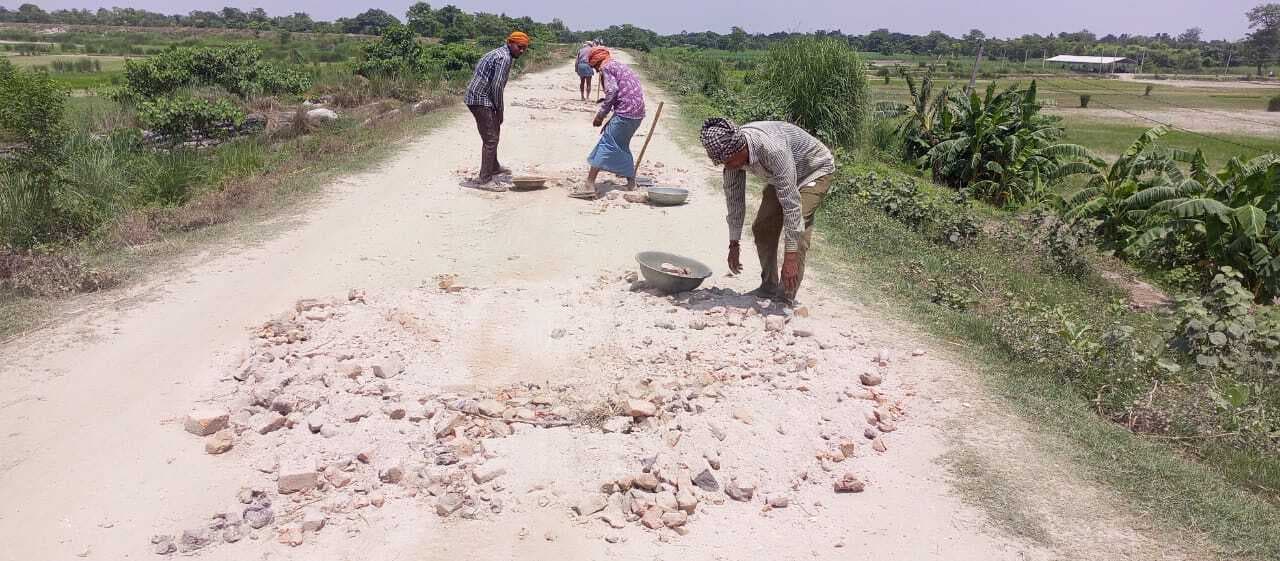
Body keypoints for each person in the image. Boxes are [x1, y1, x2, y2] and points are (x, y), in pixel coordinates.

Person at [698, 117, 836, 304]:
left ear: (741, 148)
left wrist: (790, 257)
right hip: (782, 174)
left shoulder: (772, 149)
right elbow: (734, 200)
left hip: (814, 169)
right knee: (762, 226)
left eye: (729, 161)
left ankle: (786, 295)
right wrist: (734, 243)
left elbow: (791, 206)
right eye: (723, 163)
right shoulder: (731, 156)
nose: (728, 166)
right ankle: (769, 286)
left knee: (799, 227)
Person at [572, 48, 646, 199]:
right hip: (637, 114)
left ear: (596, 62)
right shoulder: (619, 65)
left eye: (594, 67)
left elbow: (612, 91)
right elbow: (621, 90)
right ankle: (631, 183)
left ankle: (589, 184)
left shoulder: (606, 67)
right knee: (622, 145)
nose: (595, 70)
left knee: (606, 143)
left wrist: (601, 115)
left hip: (625, 113)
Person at [463, 31, 530, 187]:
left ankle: (493, 167)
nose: (521, 51)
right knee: (491, 138)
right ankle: (485, 179)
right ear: (510, 43)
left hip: (478, 96)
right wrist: (500, 110)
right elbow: (497, 86)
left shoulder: (497, 53)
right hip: (480, 99)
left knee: (493, 133)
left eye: (524, 48)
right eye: (519, 47)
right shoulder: (504, 58)